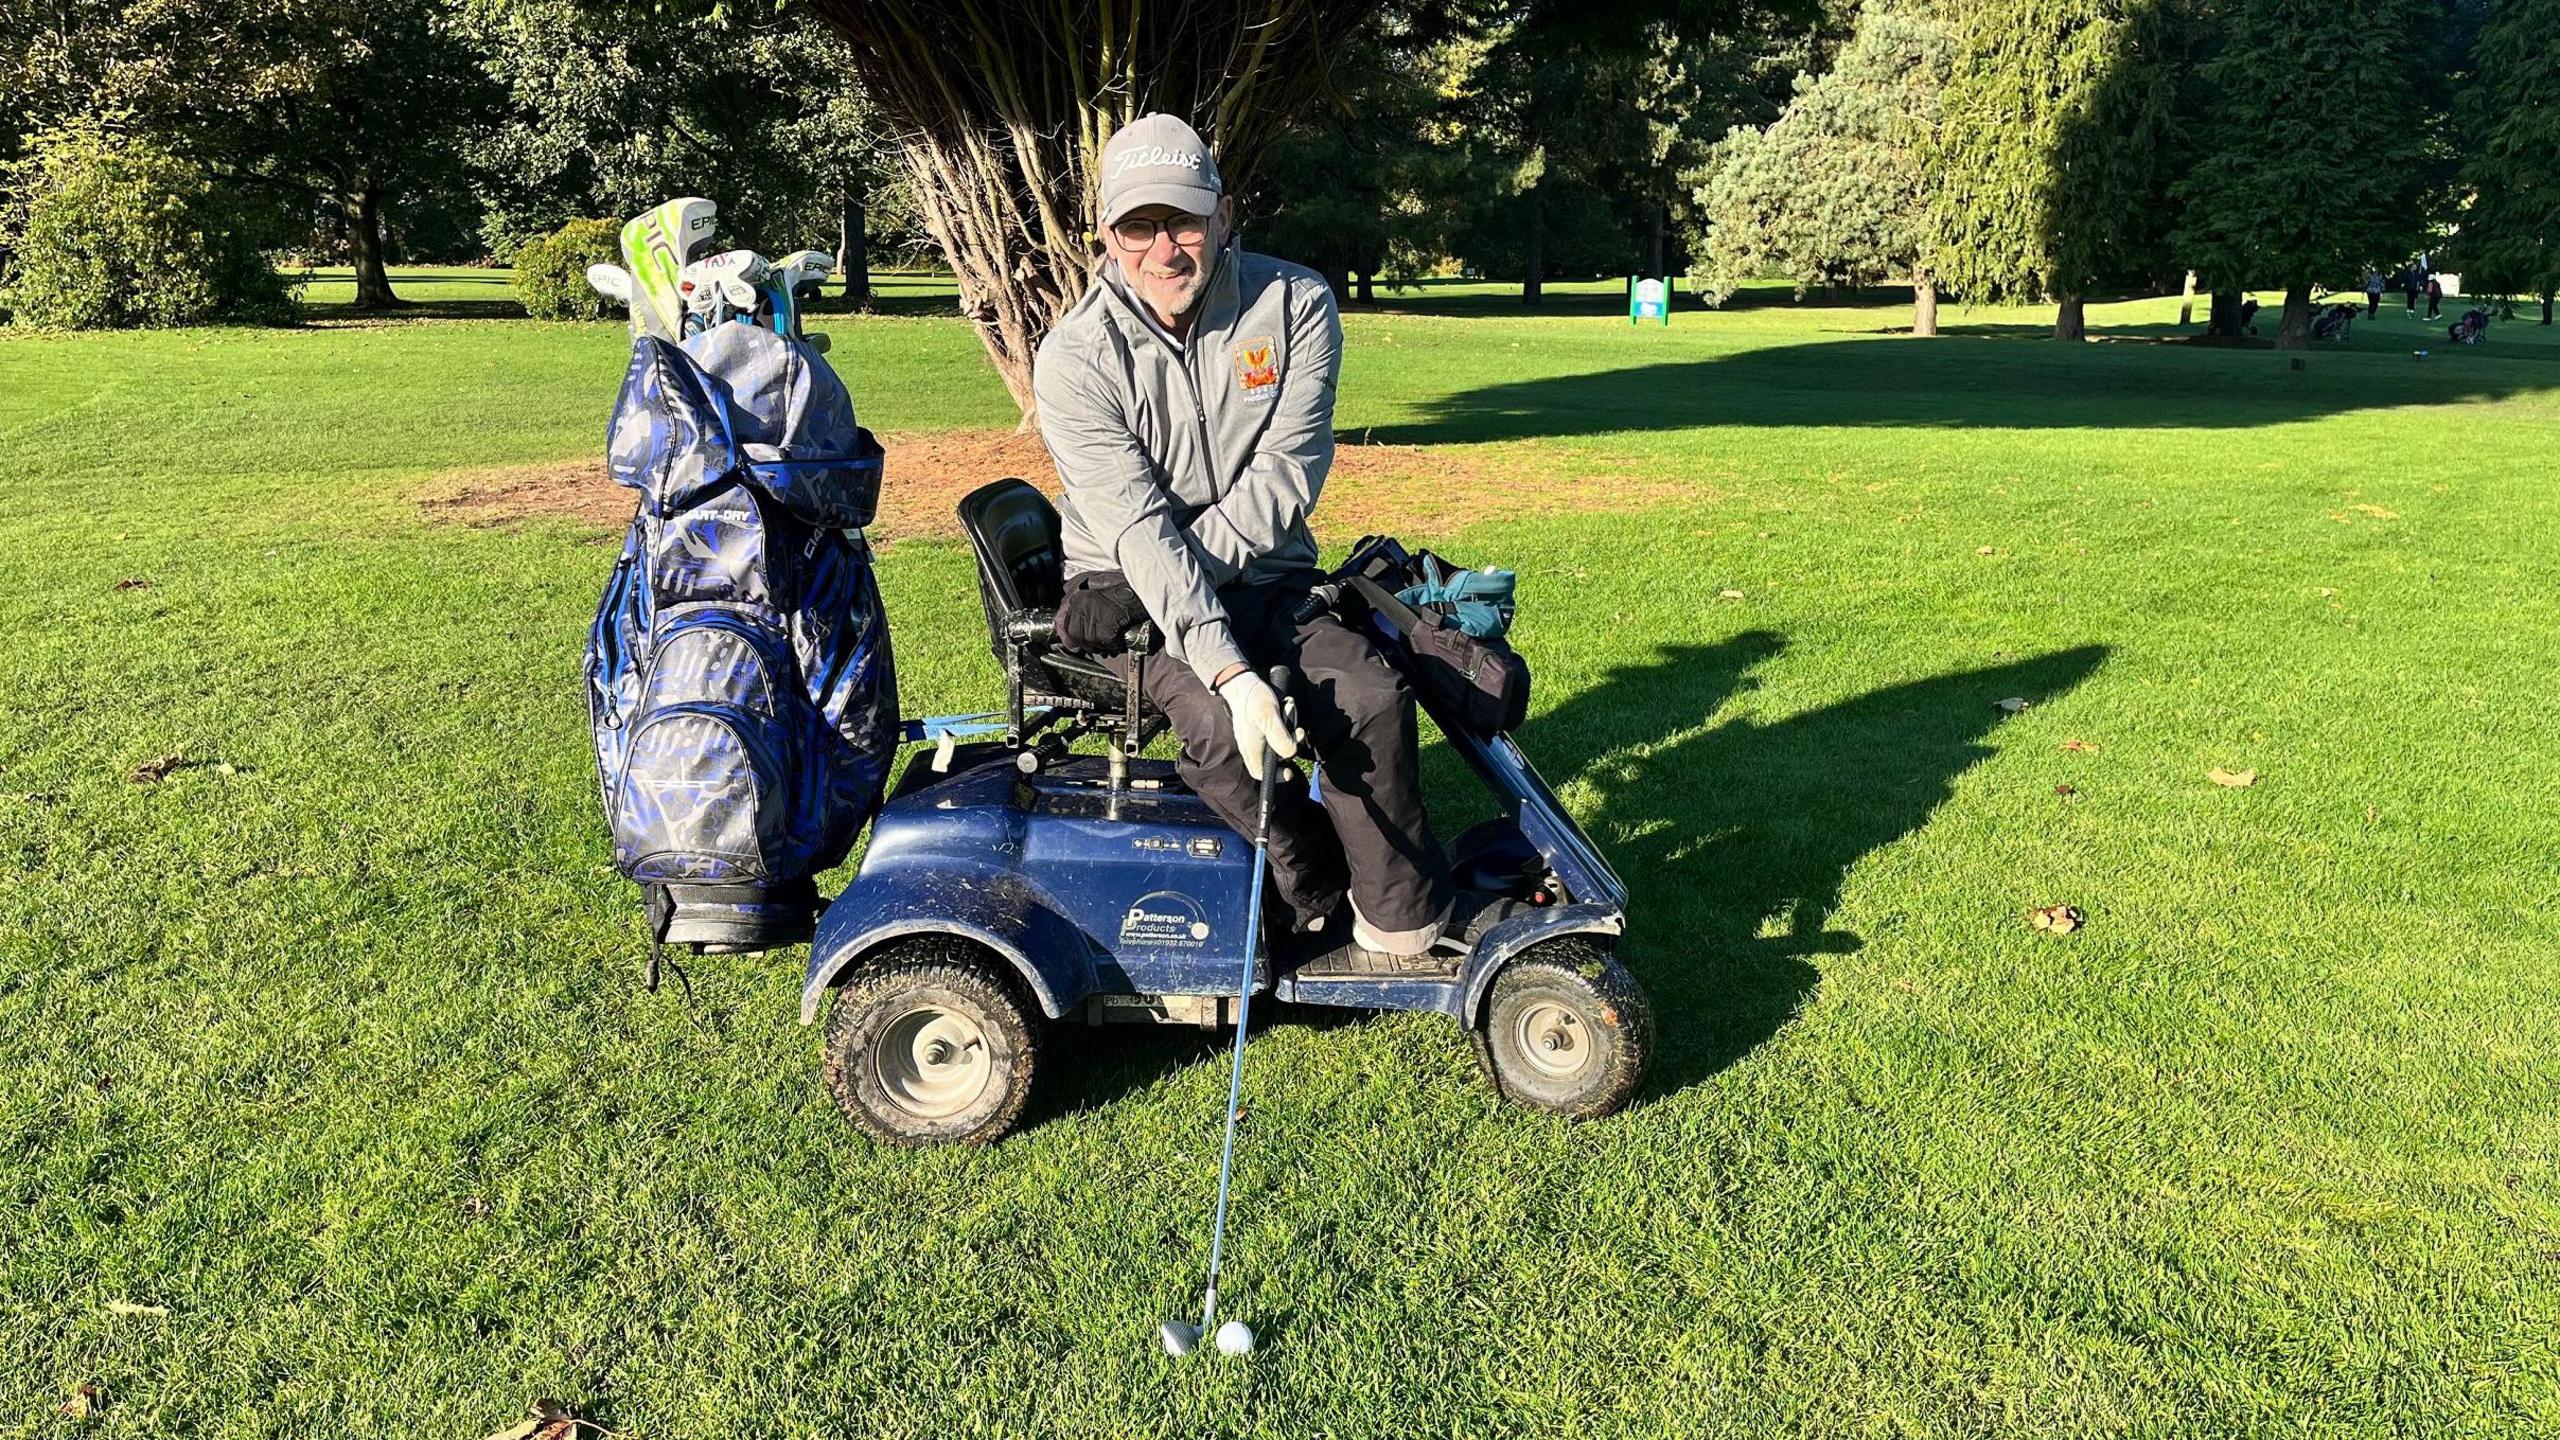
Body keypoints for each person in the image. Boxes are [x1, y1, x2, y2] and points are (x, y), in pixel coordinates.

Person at [1030, 113, 1459, 977]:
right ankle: (1314, 893)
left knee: (1370, 698)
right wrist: (1229, 672)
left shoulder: (1296, 306)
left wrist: (1205, 594)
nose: (1164, 250)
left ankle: (1400, 930)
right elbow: (1141, 534)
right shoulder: (1075, 356)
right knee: (1229, 735)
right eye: (1136, 227)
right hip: (1128, 589)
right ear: (1107, 235)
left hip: (1263, 575)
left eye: (1183, 221)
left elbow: (1286, 478)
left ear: (1224, 215)